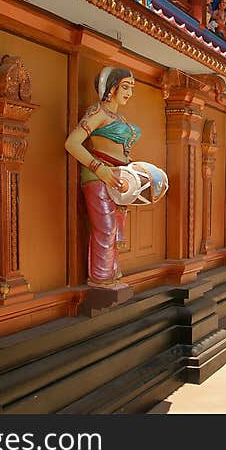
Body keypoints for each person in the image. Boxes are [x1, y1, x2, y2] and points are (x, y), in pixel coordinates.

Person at [64, 67, 140, 286]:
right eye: (125, 87)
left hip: (120, 178)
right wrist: (99, 168)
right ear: (111, 88)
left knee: (116, 231)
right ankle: (100, 278)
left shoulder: (119, 117)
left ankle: (111, 274)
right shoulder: (98, 112)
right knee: (106, 229)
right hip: (99, 176)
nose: (129, 93)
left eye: (131, 88)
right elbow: (71, 143)